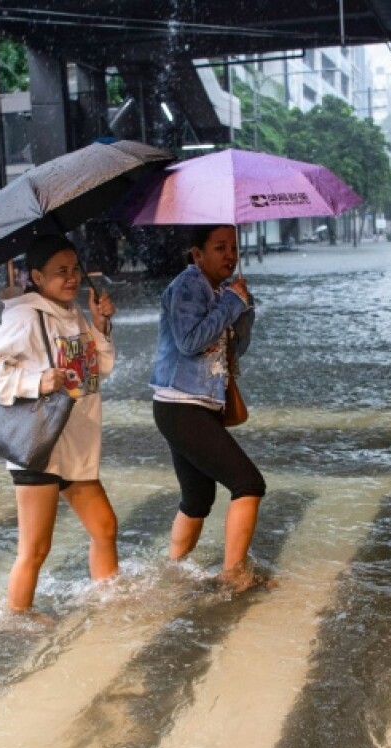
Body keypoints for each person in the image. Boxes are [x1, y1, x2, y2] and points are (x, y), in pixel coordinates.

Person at [0, 235, 119, 612]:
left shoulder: (73, 314)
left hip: (73, 443)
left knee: (105, 527)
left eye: (73, 270)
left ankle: (111, 603)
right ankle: (17, 623)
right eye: (60, 272)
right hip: (39, 445)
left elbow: (97, 369)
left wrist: (100, 324)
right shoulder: (25, 315)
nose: (71, 279)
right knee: (35, 549)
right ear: (36, 275)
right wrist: (35, 381)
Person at [150, 225, 266, 590]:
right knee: (248, 483)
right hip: (181, 405)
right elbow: (189, 341)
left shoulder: (219, 289)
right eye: (219, 247)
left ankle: (171, 572)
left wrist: (243, 310)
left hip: (196, 405)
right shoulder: (188, 285)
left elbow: (233, 351)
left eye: (233, 247)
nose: (230, 255)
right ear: (196, 253)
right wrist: (232, 303)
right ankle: (233, 575)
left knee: (198, 498)